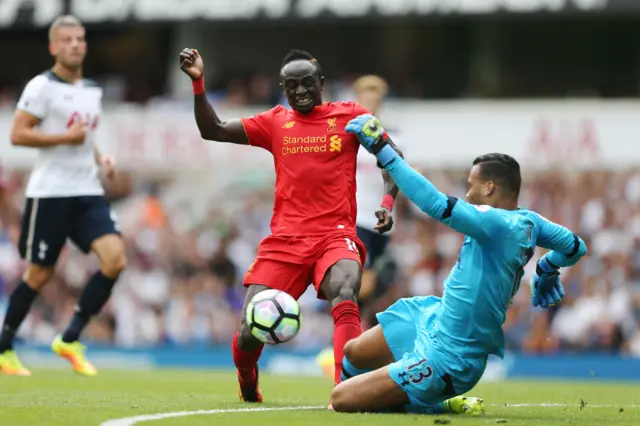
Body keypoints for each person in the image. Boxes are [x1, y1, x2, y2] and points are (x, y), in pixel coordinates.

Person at [178, 48, 401, 402]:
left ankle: (345, 390)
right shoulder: (274, 122)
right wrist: (198, 82)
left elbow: (393, 158)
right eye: (291, 85)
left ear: (322, 84)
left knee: (346, 293)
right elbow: (213, 129)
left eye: (307, 83)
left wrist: (387, 202)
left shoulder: (353, 116)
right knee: (251, 328)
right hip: (285, 240)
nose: (299, 91)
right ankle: (247, 379)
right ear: (283, 88)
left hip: (336, 234)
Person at [328, 114, 587, 414]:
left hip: (452, 357)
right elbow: (575, 247)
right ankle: (388, 393)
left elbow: (436, 204)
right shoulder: (530, 221)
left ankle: (436, 403)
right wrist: (548, 268)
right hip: (434, 318)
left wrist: (384, 149)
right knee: (354, 352)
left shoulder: (497, 223)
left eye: (472, 185)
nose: (467, 193)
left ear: (490, 188)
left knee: (342, 401)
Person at [0, 15, 126, 377]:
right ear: (54, 47)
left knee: (115, 259)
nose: (75, 44)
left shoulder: (91, 89)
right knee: (39, 274)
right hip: (51, 192)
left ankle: (69, 339)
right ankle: (4, 347)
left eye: (80, 39)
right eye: (67, 39)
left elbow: (86, 135)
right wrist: (63, 139)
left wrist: (101, 155)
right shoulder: (41, 87)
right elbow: (18, 134)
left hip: (87, 190)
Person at [317, 75, 399, 378]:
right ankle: (343, 349)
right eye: (366, 96)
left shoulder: (391, 137)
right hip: (349, 219)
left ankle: (354, 348)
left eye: (375, 98)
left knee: (369, 288)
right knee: (349, 284)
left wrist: (390, 206)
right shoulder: (343, 134)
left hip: (379, 223)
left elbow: (398, 175)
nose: (371, 102)